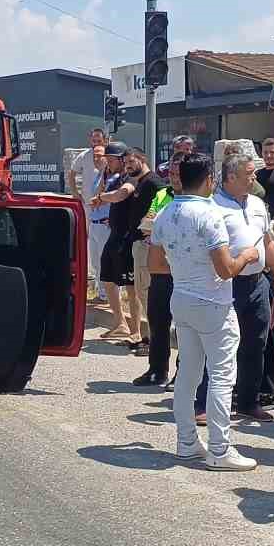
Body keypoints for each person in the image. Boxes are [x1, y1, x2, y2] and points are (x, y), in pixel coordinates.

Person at [150, 152, 260, 471]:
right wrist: (248, 256)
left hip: (181, 297)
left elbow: (155, 264)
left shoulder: (165, 213)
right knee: (222, 375)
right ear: (210, 180)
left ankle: (186, 443)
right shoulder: (210, 215)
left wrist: (186, 270)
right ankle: (220, 448)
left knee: (188, 374)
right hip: (213, 302)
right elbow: (226, 270)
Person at [194, 154, 274, 424]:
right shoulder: (212, 207)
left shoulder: (257, 203)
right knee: (218, 344)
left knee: (256, 343)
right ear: (231, 177)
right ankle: (204, 403)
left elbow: (268, 240)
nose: (254, 178)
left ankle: (247, 402)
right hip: (225, 284)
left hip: (257, 284)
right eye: (249, 174)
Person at [93, 148, 164, 347]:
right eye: (125, 163)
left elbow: (163, 205)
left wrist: (151, 228)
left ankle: (146, 338)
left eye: (131, 161)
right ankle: (140, 335)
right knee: (137, 290)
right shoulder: (139, 181)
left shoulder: (153, 182)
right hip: (131, 240)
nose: (128, 166)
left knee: (142, 292)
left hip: (142, 243)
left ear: (142, 159)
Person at [132, 162, 177, 385]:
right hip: (160, 268)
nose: (175, 178)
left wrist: (159, 225)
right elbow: (148, 222)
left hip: (184, 271)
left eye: (180, 173)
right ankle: (157, 370)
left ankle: (183, 374)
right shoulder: (163, 193)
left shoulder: (199, 198)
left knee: (184, 328)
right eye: (172, 173)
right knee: (157, 320)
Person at [68, 128, 110, 298]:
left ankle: (107, 290)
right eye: (94, 141)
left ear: (105, 141)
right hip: (89, 207)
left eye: (99, 141)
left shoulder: (111, 160)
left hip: (106, 212)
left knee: (105, 251)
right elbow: (72, 172)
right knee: (92, 248)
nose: (96, 145)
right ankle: (98, 287)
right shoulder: (85, 155)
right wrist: (75, 193)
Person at [83, 145, 114, 307]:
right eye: (94, 156)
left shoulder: (112, 177)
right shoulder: (98, 176)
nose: (96, 159)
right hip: (94, 222)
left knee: (105, 261)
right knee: (95, 262)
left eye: (100, 156)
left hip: (105, 223)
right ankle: (101, 293)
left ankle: (107, 295)